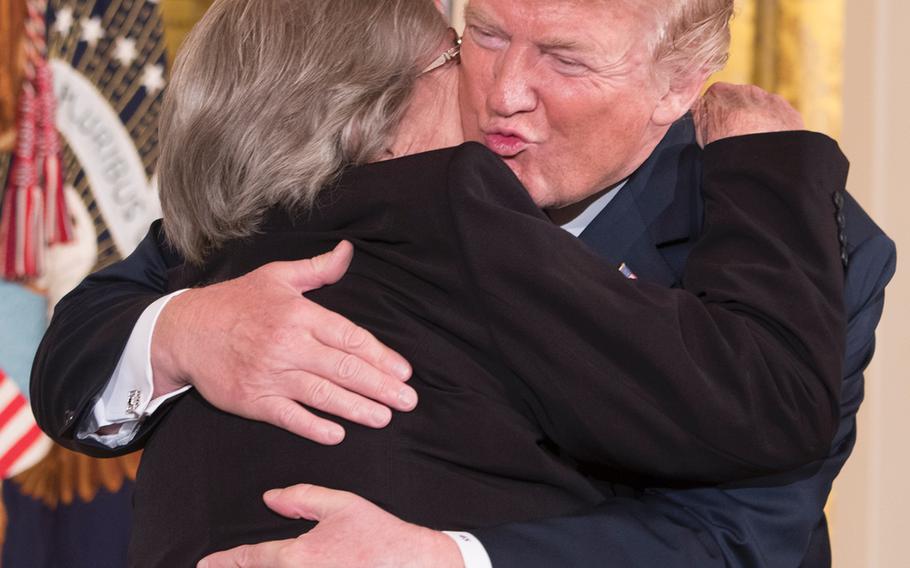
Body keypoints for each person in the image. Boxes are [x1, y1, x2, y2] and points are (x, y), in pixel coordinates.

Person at [31, 1, 895, 567]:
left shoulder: (801, 240)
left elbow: (743, 540)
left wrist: (453, 557)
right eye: (483, 36)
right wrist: (185, 333)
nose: (503, 92)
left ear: (679, 79)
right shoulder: (334, 178)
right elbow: (90, 333)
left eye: (563, 58)